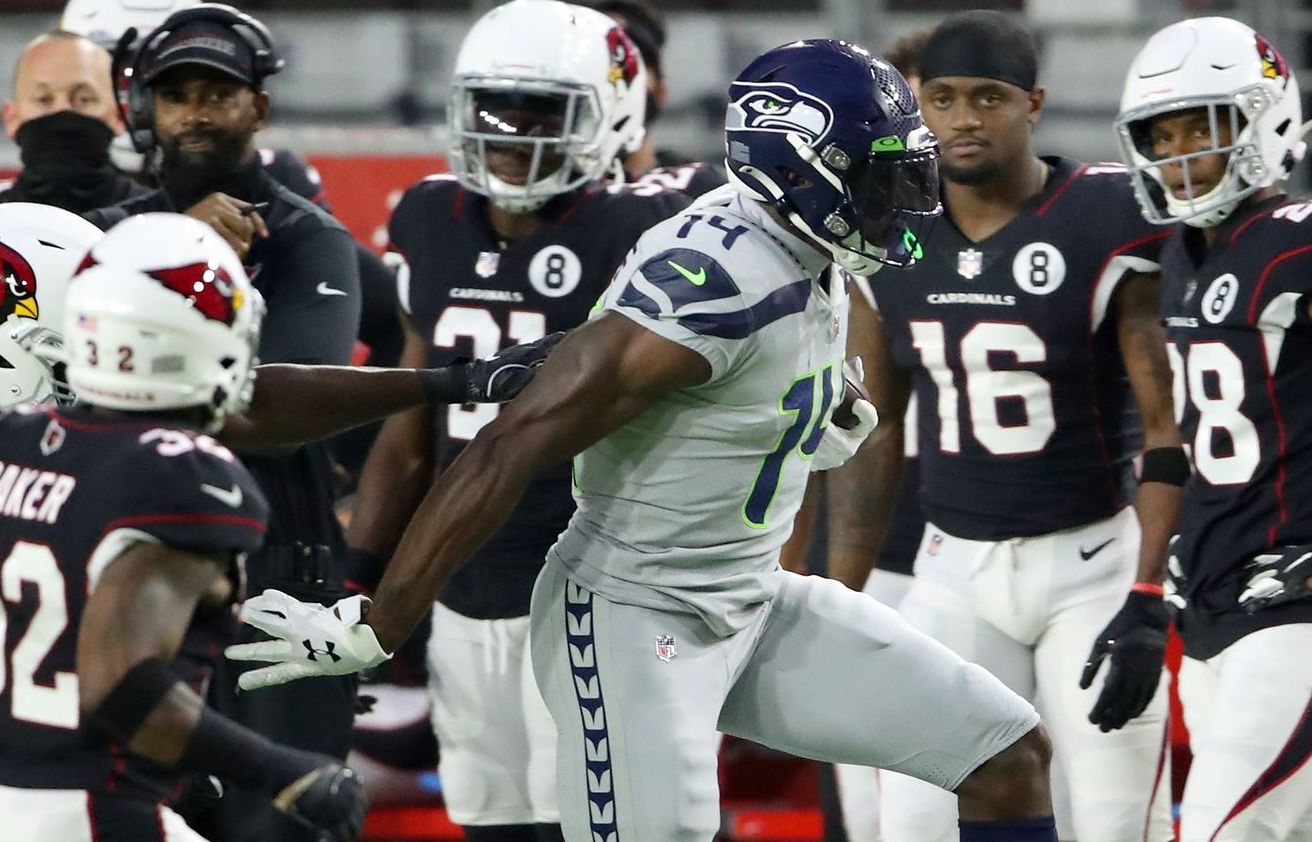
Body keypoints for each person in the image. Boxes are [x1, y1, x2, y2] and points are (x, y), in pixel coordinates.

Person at [229, 38, 1065, 842]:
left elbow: (743, 396)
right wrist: (381, 621)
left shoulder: (802, 242)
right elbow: (508, 443)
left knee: (1003, 756)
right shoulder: (717, 282)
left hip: (747, 595)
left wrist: (816, 413)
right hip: (634, 616)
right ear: (802, 170)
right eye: (882, 176)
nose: (906, 200)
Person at [821, 11, 1181, 842]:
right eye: (941, 99)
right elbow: (874, 432)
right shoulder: (891, 230)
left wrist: (1149, 590)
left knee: (1113, 819)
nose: (963, 119)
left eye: (988, 98)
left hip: (1090, 562)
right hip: (953, 569)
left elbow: (1168, 427)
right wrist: (843, 599)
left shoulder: (1106, 215)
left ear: (1034, 105)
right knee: (916, 816)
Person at [345, 3, 687, 841]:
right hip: (462, 590)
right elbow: (409, 422)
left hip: (589, 588)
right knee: (491, 822)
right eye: (493, 107)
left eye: (543, 111)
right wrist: (359, 573)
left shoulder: (643, 226)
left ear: (612, 112)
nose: (510, 132)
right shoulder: (429, 214)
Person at [80, 6, 365, 840]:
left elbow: (271, 411)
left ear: (259, 110)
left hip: (281, 576)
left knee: (278, 825)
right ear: (148, 110)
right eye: (178, 96)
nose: (197, 113)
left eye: (218, 93)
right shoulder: (108, 232)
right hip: (134, 559)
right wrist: (172, 241)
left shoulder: (312, 239)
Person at [0, 212, 367, 842]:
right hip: (88, 809)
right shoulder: (184, 475)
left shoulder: (20, 441)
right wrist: (284, 770)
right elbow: (120, 686)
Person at [1116, 17, 1312, 841]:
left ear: (1262, 118)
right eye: (1164, 134)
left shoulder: (1297, 242)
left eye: (1204, 126)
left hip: (1293, 604)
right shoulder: (1184, 258)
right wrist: (1152, 590)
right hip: (1214, 607)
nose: (1183, 151)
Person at [0, 30, 149, 213]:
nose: (63, 111)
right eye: (43, 99)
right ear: (11, 117)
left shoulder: (157, 223)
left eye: (84, 99)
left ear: (119, 115)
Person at [591, 0, 725, 198]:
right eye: (596, 63)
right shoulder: (544, 196)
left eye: (625, 65)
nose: (609, 79)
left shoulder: (701, 192)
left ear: (660, 91)